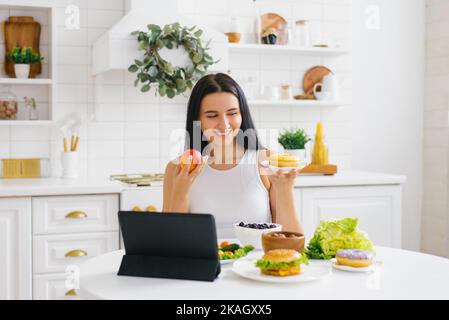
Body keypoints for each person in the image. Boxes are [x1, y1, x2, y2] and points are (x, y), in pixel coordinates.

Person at [162, 73, 304, 237]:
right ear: (197, 119)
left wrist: (285, 189)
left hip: (255, 262)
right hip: (204, 263)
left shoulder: (265, 163)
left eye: (232, 113)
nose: (224, 124)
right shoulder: (176, 169)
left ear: (242, 114)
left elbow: (293, 244)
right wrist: (181, 191)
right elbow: (168, 241)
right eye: (212, 115)